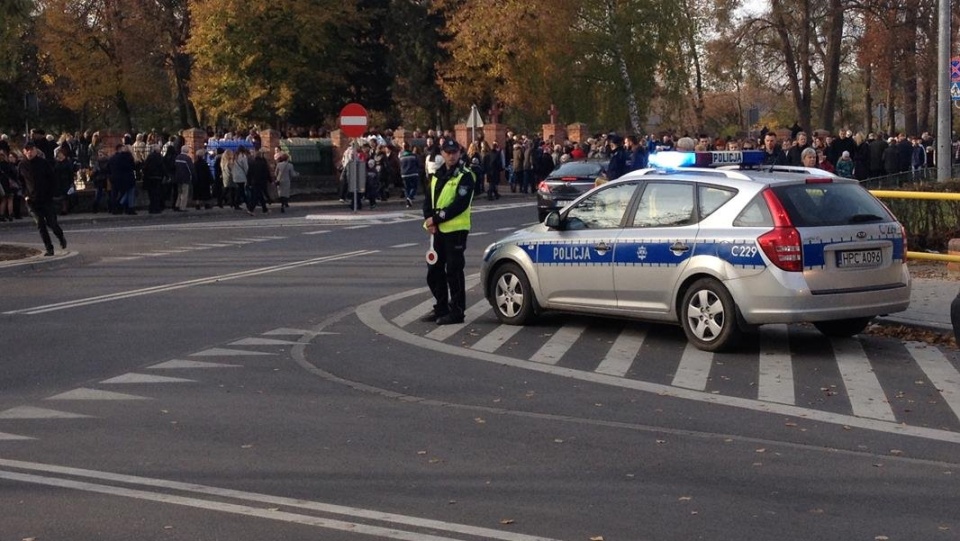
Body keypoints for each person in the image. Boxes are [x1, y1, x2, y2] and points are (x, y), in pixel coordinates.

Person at [421, 139, 475, 326]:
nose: (451, 156)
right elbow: (428, 200)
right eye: (447, 152)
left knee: (454, 271)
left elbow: (459, 204)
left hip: (456, 231)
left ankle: (457, 311)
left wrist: (436, 219)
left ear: (459, 153)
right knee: (434, 271)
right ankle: (441, 306)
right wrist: (429, 219)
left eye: (454, 152)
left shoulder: (465, 175)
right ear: (442, 154)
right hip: (437, 232)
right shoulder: (437, 175)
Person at [17, 141, 66, 256]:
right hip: (32, 201)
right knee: (40, 224)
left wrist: (51, 194)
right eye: (27, 150)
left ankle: (60, 236)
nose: (29, 152)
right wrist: (25, 195)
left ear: (35, 150)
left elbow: (52, 179)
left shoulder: (43, 163)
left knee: (52, 223)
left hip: (46, 199)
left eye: (31, 149)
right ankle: (49, 248)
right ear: (24, 151)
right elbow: (21, 182)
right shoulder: (22, 165)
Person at [173, 145, 194, 211]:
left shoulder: (177, 157)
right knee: (185, 193)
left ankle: (177, 205)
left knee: (179, 192)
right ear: (187, 151)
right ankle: (182, 207)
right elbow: (190, 169)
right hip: (185, 177)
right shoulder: (187, 158)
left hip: (177, 177)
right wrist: (192, 176)